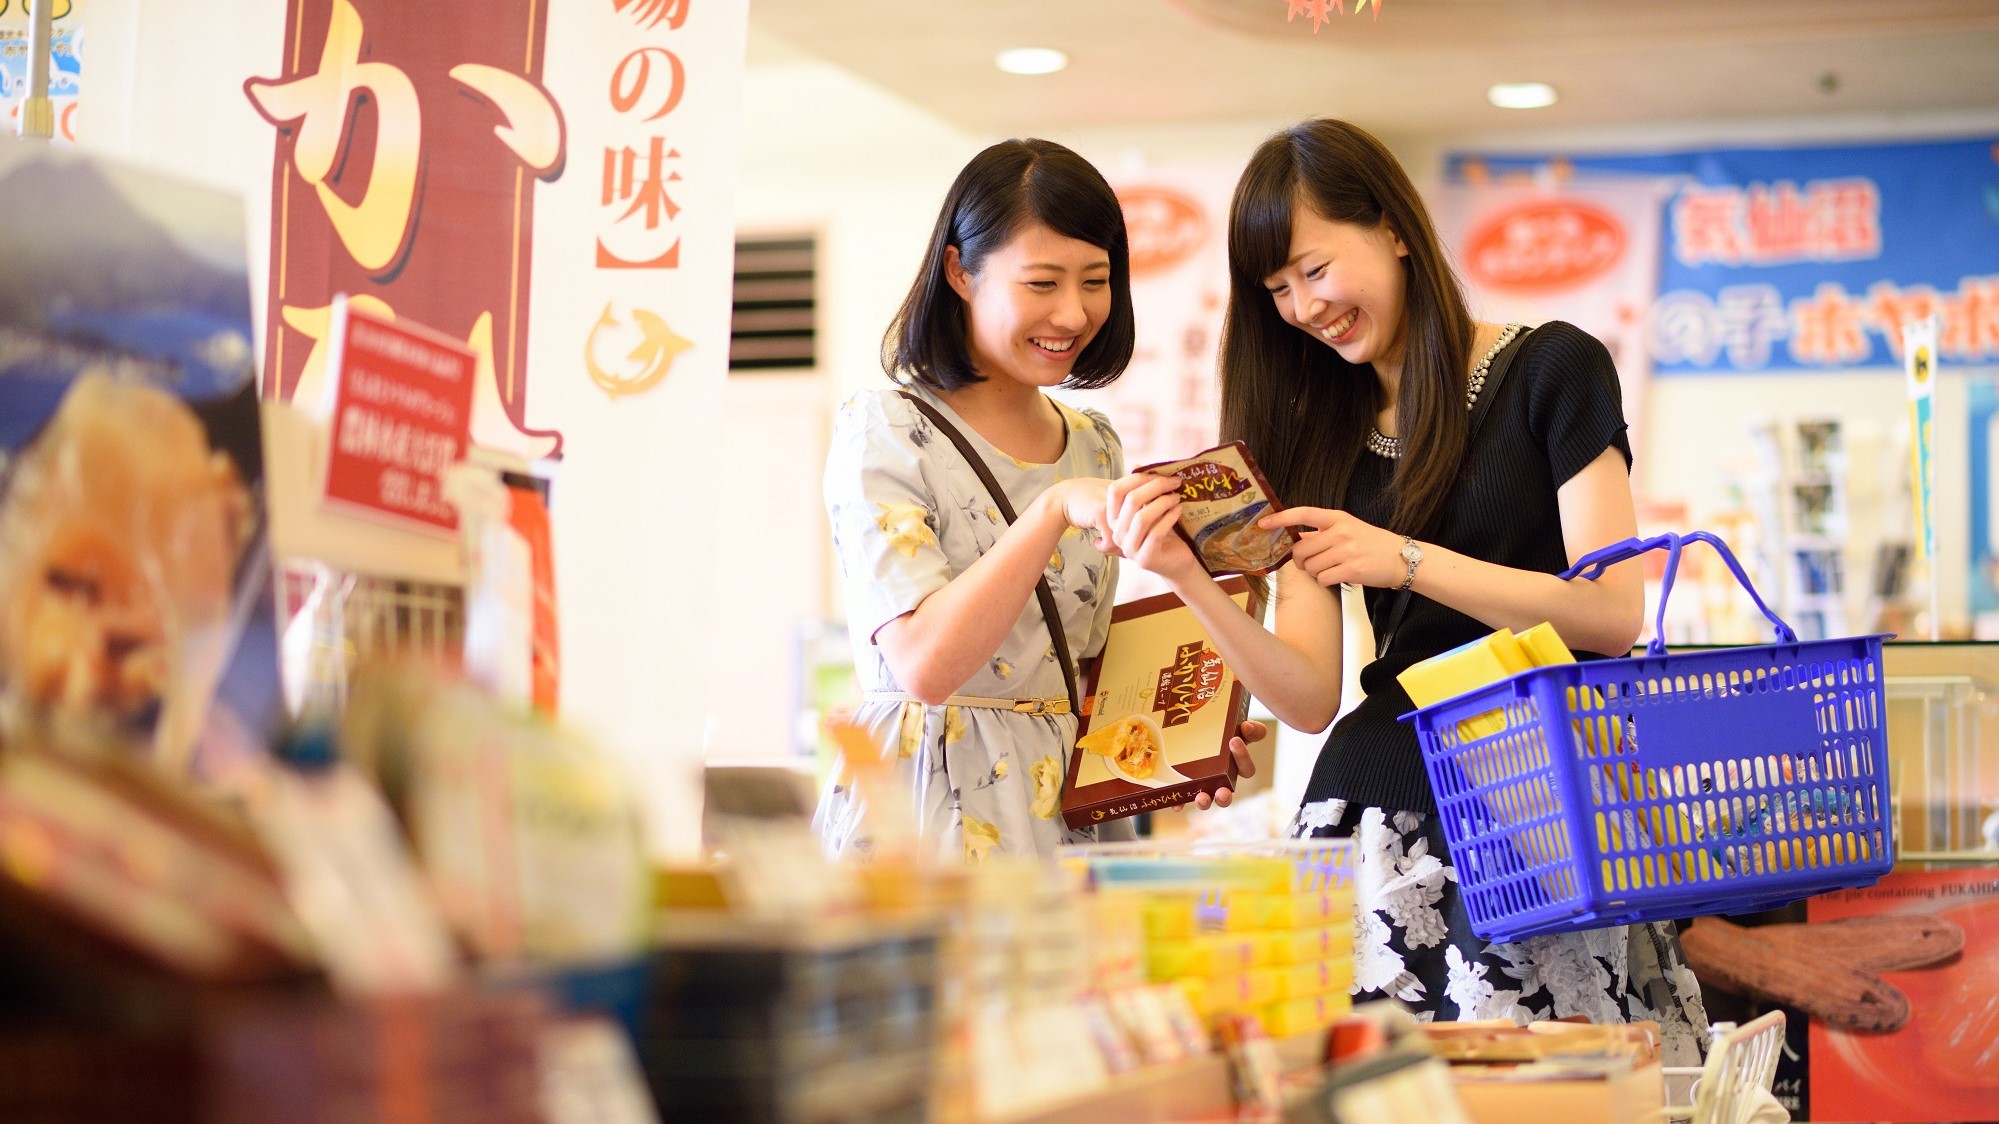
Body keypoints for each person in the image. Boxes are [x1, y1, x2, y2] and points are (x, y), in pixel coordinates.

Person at [1106, 119, 1709, 1059]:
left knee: (1569, 1096)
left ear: (1390, 226)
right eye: (1276, 291)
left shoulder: (1551, 367)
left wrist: (1405, 560)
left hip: (1548, 806)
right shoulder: (1315, 437)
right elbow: (1307, 696)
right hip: (1380, 803)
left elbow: (1610, 616)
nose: (1303, 308)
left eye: (1312, 269)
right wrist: (1190, 578)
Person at [821, 138, 1260, 862]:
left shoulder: (1094, 443)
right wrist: (1052, 511)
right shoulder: (886, 428)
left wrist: (1190, 732)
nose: (1073, 313)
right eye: (1041, 283)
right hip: (928, 803)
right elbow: (925, 666)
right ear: (960, 271)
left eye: (1095, 280)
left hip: (1064, 808)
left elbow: (1079, 670)